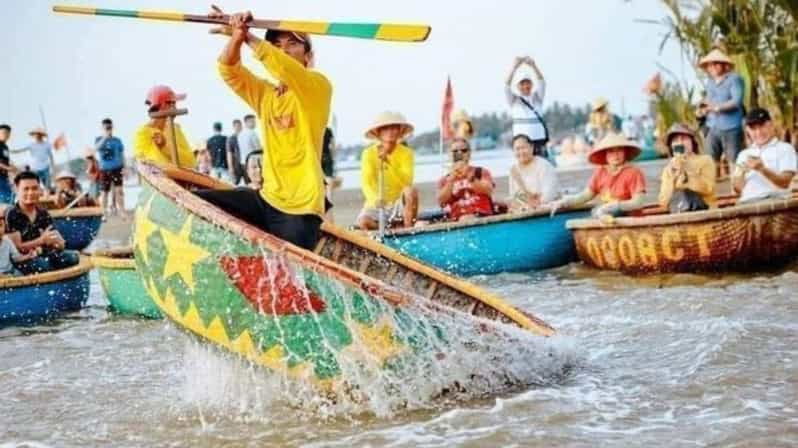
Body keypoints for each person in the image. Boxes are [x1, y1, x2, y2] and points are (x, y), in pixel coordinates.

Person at [198, 7, 332, 250]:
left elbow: (284, 68)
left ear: (308, 56)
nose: (283, 50)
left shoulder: (318, 87)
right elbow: (229, 70)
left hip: (300, 208)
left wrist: (247, 35)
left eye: (292, 44)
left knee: (292, 269)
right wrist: (237, 37)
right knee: (196, 202)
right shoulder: (266, 95)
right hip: (266, 197)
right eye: (276, 45)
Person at [556, 133, 646, 218]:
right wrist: (564, 202)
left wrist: (616, 206)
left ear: (625, 152)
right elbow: (585, 196)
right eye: (611, 151)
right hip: (606, 214)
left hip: (627, 216)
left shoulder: (633, 172)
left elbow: (638, 202)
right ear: (605, 155)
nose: (616, 155)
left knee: (603, 212)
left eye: (619, 150)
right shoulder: (600, 172)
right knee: (596, 212)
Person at [4, 171, 79, 274]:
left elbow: (55, 239)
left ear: (39, 189)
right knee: (43, 265)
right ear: (17, 190)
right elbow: (17, 247)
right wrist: (41, 240)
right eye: (26, 189)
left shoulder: (43, 213)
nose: (31, 193)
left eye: (34, 188)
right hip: (23, 258)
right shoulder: (12, 214)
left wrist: (59, 243)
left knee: (73, 257)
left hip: (43, 253)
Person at [356, 112, 419, 230]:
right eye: (385, 128)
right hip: (377, 203)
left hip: (398, 203)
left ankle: (408, 230)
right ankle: (389, 229)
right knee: (363, 222)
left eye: (394, 128)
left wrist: (389, 162)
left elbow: (407, 181)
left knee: (410, 191)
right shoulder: (368, 154)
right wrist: (376, 200)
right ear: (378, 132)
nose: (390, 132)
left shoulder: (407, 153)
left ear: (400, 131)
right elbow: (366, 182)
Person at [697, 48, 745, 180]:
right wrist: (703, 109)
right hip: (712, 126)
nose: (712, 67)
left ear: (724, 64)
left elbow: (737, 101)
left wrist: (716, 108)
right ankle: (712, 190)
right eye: (710, 64)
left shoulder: (734, 79)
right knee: (710, 161)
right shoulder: (710, 82)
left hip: (731, 126)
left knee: (734, 160)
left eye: (716, 63)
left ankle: (736, 188)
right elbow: (709, 100)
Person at [733, 108, 797, 203]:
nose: (758, 132)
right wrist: (740, 173)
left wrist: (762, 169)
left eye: (762, 126)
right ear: (747, 131)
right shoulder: (743, 154)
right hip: (747, 202)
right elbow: (737, 189)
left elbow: (785, 183)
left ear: (771, 125)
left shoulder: (785, 149)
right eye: (753, 129)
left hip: (775, 201)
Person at [133, 85, 196, 169]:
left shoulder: (175, 128)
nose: (175, 107)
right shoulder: (142, 133)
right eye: (173, 103)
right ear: (164, 105)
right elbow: (152, 166)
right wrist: (161, 147)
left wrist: (165, 147)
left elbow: (191, 162)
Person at [658, 123, 716, 213]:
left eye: (684, 138)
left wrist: (686, 169)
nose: (680, 143)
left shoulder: (705, 160)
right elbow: (663, 202)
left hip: (704, 209)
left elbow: (708, 189)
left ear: (692, 142)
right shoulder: (668, 169)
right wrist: (673, 176)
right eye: (675, 140)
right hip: (679, 212)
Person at [437, 138, 496, 221]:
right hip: (457, 218)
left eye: (463, 150)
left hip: (481, 214)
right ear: (449, 154)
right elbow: (441, 201)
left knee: (467, 218)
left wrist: (470, 176)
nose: (459, 153)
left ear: (469, 153)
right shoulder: (444, 180)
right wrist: (451, 180)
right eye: (455, 151)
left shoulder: (480, 172)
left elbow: (489, 191)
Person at [505, 56, 548, 156]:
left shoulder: (537, 98)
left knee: (541, 164)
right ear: (517, 86)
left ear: (531, 84)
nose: (525, 86)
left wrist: (533, 65)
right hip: (522, 142)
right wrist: (514, 67)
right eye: (522, 84)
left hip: (539, 140)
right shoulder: (514, 100)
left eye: (527, 83)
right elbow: (506, 86)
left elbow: (542, 82)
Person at [508, 134, 559, 212]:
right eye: (517, 149)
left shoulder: (544, 165)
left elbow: (549, 193)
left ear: (532, 147)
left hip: (545, 209)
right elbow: (513, 196)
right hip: (523, 210)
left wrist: (535, 203)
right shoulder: (513, 170)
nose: (521, 152)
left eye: (523, 148)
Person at [94, 118, 126, 216]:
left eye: (110, 127)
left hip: (117, 168)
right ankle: (104, 212)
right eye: (106, 127)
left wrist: (124, 167)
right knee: (104, 192)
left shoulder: (117, 140)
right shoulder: (98, 139)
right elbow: (97, 148)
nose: (108, 129)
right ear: (102, 128)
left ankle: (122, 210)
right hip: (104, 169)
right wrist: (105, 137)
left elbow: (122, 154)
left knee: (119, 190)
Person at [0, 211, 38, 277]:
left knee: (25, 275)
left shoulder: (7, 240)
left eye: (0, 225)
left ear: (4, 227)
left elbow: (16, 257)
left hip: (10, 271)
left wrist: (28, 256)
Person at [0, 124, 19, 204]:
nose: (6, 135)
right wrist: (9, 168)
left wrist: (14, 168)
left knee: (11, 198)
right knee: (7, 199)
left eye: (7, 133)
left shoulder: (5, 147)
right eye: (3, 132)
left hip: (4, 177)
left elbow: (5, 161)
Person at [227, 118, 244, 184]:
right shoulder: (231, 139)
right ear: (233, 127)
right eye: (237, 126)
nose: (239, 128)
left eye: (240, 126)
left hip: (246, 165)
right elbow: (229, 153)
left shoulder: (245, 136)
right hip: (236, 165)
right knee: (234, 184)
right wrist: (230, 167)